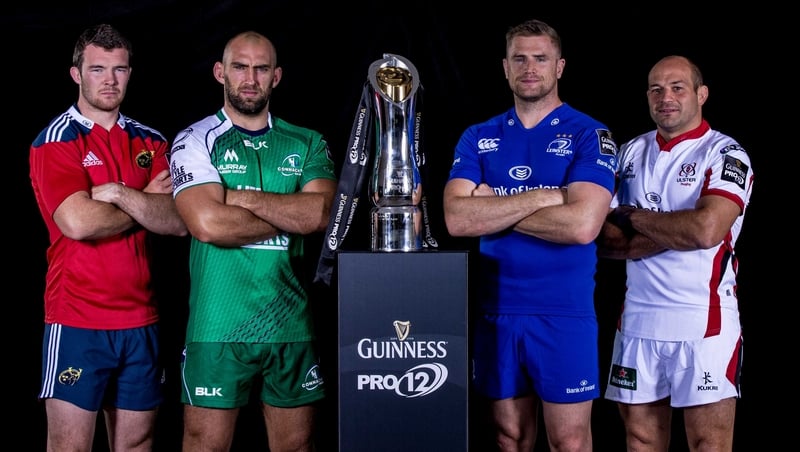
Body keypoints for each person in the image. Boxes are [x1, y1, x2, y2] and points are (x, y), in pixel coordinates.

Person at [443, 19, 618, 452]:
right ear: (505, 68)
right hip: (496, 311)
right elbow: (457, 220)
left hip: (564, 313)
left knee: (570, 442)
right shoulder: (478, 136)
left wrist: (493, 207)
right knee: (509, 438)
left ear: (559, 66)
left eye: (541, 58)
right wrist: (544, 196)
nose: (530, 67)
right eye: (519, 58)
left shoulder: (589, 133)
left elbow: (582, 225)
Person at [168, 30, 336, 451]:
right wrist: (291, 214)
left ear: (276, 77)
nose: (250, 78)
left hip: (290, 323)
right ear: (220, 72)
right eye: (240, 67)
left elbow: (323, 215)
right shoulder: (195, 139)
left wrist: (239, 198)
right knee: (205, 445)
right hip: (217, 325)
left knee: (297, 446)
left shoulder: (307, 141)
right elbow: (208, 224)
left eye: (261, 69)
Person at [28, 23, 187, 451]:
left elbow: (177, 221)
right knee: (70, 447)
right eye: (98, 69)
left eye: (119, 69)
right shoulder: (57, 140)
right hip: (77, 319)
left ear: (130, 73)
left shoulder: (151, 141)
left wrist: (116, 193)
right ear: (76, 74)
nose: (110, 80)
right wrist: (144, 201)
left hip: (141, 321)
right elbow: (78, 222)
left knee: (137, 445)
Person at [598, 55, 753, 451]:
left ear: (702, 94)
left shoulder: (725, 153)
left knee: (708, 444)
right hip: (637, 321)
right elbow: (601, 239)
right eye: (656, 89)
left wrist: (633, 216)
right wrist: (679, 225)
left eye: (677, 88)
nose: (665, 97)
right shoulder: (628, 153)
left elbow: (706, 230)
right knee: (640, 440)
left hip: (704, 323)